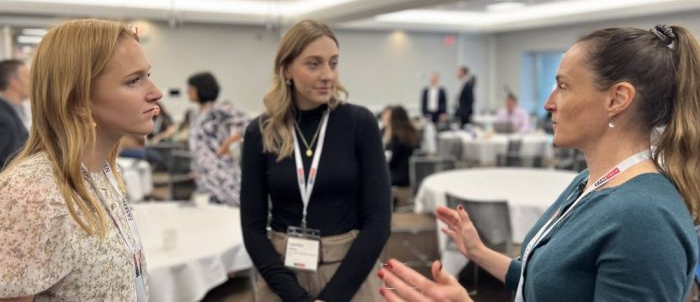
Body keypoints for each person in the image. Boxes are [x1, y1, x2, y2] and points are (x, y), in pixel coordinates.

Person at [378, 24, 700, 302]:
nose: (548, 104)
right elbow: (550, 283)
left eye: (563, 86)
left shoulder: (644, 219)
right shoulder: (589, 180)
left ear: (616, 99)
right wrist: (479, 252)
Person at [0, 19, 162, 300]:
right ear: (77, 98)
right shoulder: (33, 194)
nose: (156, 92)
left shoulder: (103, 171)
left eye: (147, 75)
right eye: (134, 80)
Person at [241, 19, 391, 302]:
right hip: (281, 274)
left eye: (333, 63)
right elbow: (252, 227)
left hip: (349, 271)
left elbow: (379, 221)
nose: (327, 75)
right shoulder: (260, 131)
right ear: (287, 70)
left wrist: (332, 298)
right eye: (314, 64)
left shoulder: (359, 123)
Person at [187, 72, 249, 206]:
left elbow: (248, 123)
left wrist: (228, 142)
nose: (188, 91)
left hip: (220, 169)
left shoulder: (218, 109)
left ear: (201, 89)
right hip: (203, 172)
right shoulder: (195, 113)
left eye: (191, 88)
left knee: (228, 207)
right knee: (210, 210)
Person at [0, 59, 30, 170]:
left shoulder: (15, 111)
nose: (31, 82)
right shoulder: (3, 119)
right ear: (14, 83)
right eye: (28, 78)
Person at [383, 105, 419, 189]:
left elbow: (392, 161)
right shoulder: (413, 133)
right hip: (411, 175)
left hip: (398, 176)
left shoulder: (397, 137)